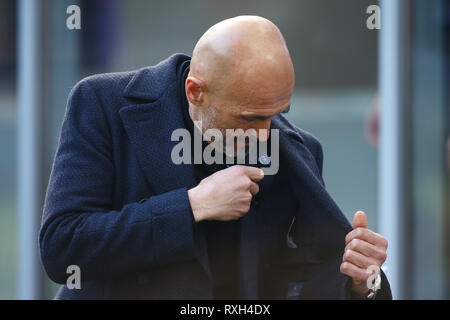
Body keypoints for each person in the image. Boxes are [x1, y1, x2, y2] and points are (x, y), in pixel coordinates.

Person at [39, 15, 391, 300]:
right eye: (248, 117)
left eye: (277, 112)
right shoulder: (103, 104)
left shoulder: (296, 150)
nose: (264, 134)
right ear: (196, 92)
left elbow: (300, 278)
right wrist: (191, 206)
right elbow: (63, 247)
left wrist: (361, 285)